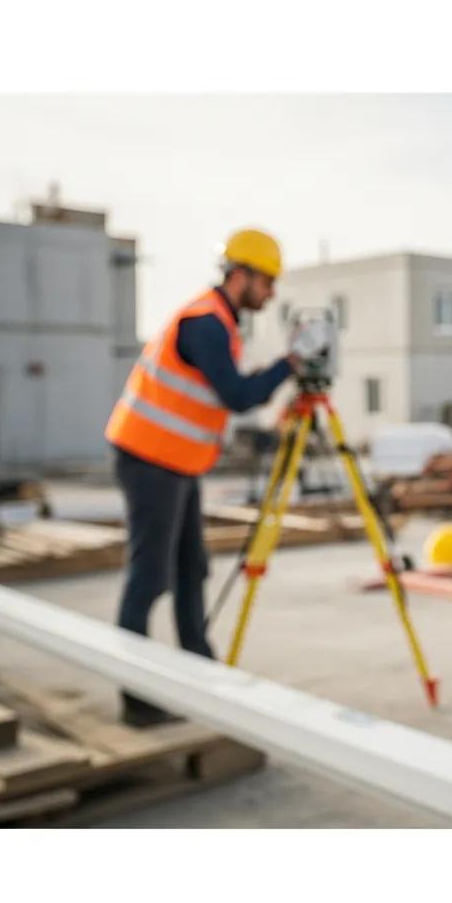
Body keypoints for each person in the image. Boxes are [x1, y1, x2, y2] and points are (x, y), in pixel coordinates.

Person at [104, 228, 325, 726]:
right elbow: (237, 395)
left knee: (191, 568)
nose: (270, 294)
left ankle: (199, 669)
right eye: (266, 283)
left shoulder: (221, 322)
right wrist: (290, 364)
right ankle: (137, 698)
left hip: (176, 463)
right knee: (150, 576)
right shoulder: (204, 323)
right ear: (241, 275)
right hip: (149, 458)